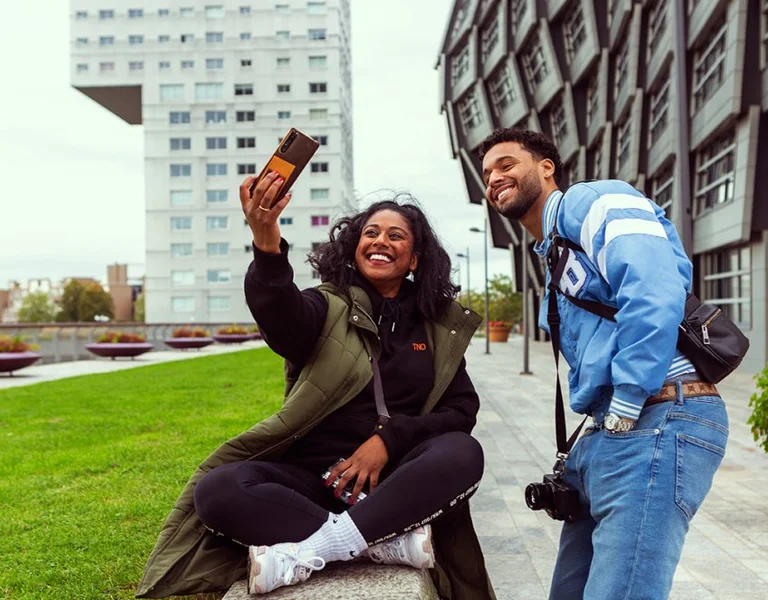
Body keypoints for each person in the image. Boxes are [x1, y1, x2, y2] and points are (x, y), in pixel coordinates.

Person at [135, 171, 496, 599]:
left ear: (414, 259)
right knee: (218, 489)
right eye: (371, 233)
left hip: (396, 485)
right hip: (312, 484)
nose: (380, 241)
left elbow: (460, 413)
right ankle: (378, 545)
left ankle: (322, 547)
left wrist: (388, 441)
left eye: (396, 236)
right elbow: (280, 315)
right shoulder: (324, 306)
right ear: (354, 247)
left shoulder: (436, 329)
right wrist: (267, 241)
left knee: (462, 452)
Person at [478, 128, 728, 600]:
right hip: (609, 435)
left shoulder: (595, 202)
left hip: (658, 417)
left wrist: (628, 401)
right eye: (487, 174)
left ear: (546, 167)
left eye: (507, 164)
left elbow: (652, 290)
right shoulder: (551, 251)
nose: (494, 178)